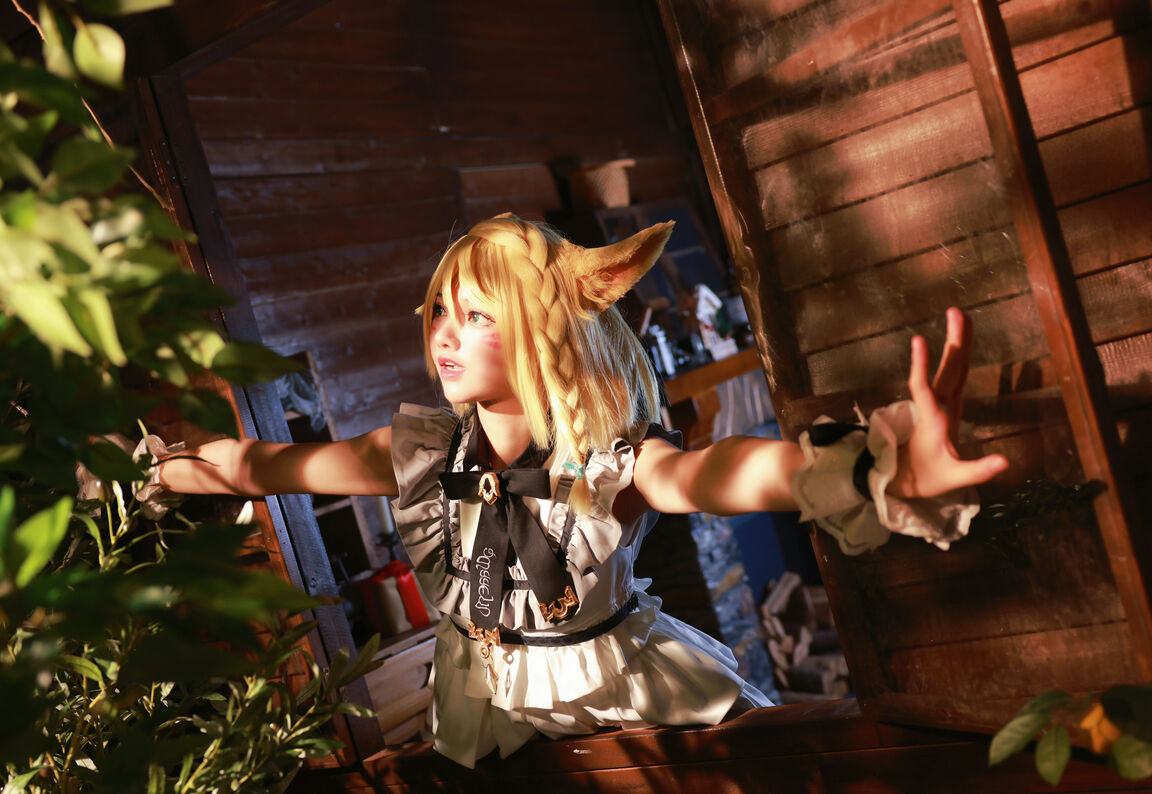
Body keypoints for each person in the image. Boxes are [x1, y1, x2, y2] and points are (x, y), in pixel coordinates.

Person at [157, 214, 1008, 767]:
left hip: (627, 706)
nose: (446, 336)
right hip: (484, 715)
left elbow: (706, 474)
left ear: (538, 328)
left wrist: (868, 470)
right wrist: (152, 472)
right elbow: (263, 465)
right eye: (440, 311)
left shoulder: (605, 460)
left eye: (477, 316)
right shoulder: (417, 453)